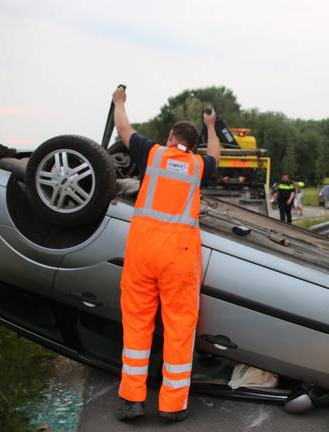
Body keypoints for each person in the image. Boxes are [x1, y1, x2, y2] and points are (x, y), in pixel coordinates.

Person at [112, 85, 220, 423]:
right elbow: (216, 154)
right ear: (193, 143)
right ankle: (172, 406)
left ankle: (132, 400)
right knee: (179, 326)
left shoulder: (154, 154)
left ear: (171, 137)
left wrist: (119, 102)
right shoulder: (198, 166)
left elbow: (124, 129)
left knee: (137, 325)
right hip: (179, 255)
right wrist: (212, 126)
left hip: (143, 250)